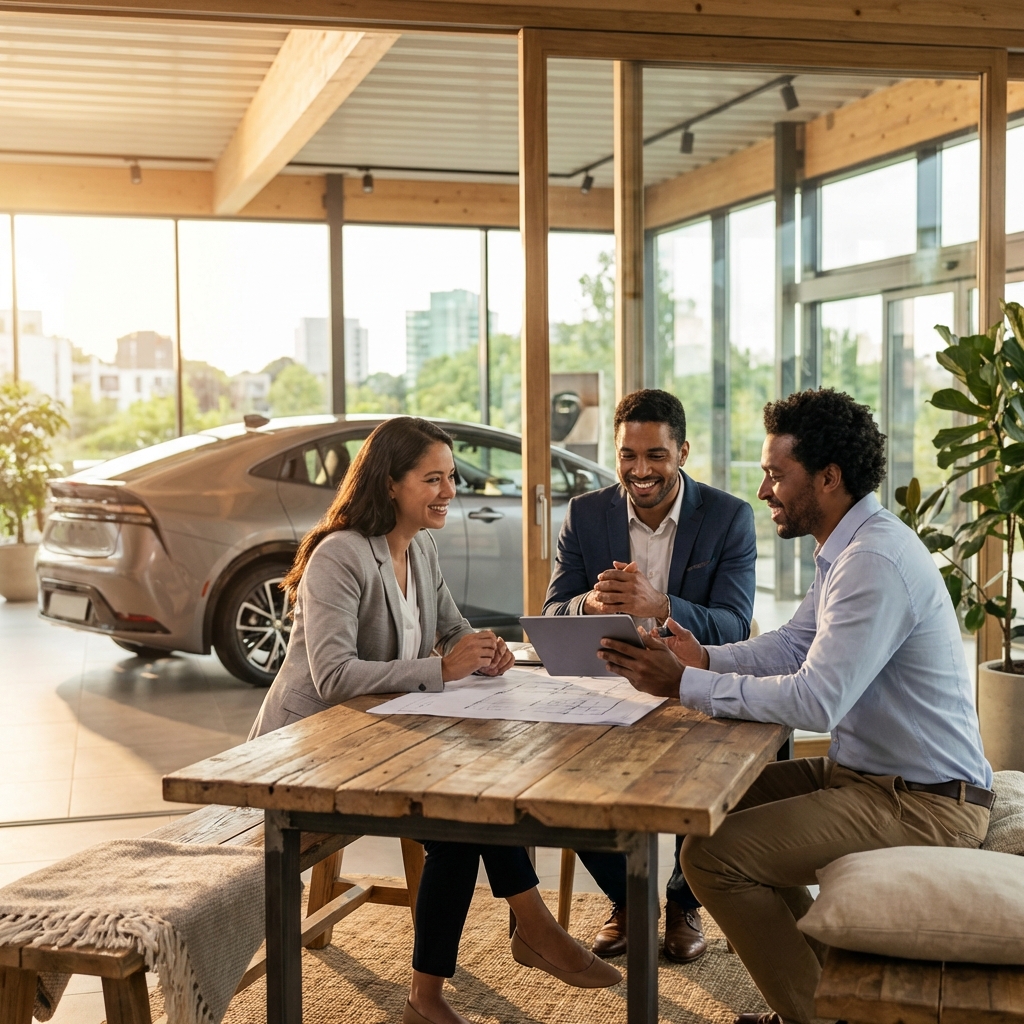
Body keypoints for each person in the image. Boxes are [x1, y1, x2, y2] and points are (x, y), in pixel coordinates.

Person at [596, 388, 993, 1024]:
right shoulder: (850, 546)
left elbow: (815, 699)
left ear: (828, 478)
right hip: (867, 777)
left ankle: (812, 1015)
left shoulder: (873, 561)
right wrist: (705, 660)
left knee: (712, 859)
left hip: (925, 804)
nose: (764, 492)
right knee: (714, 812)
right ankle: (825, 995)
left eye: (776, 475)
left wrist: (683, 685)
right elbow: (792, 645)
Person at [250, 417, 620, 1024]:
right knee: (460, 821)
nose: (449, 490)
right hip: (306, 751)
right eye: (433, 479)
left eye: (450, 476)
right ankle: (524, 935)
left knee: (475, 805)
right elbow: (334, 677)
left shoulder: (419, 545)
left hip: (376, 735)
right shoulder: (338, 555)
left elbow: (450, 628)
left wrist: (483, 648)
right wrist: (442, 671)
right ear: (390, 483)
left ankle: (449, 983)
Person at [544, 388, 756, 962]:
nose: (640, 471)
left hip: (694, 686)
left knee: (714, 767)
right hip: (608, 684)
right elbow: (552, 611)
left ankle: (684, 902)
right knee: (554, 770)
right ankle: (627, 897)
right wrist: (589, 603)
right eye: (628, 455)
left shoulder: (729, 516)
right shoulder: (586, 514)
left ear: (682, 451)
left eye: (655, 456)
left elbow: (735, 624)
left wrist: (661, 605)